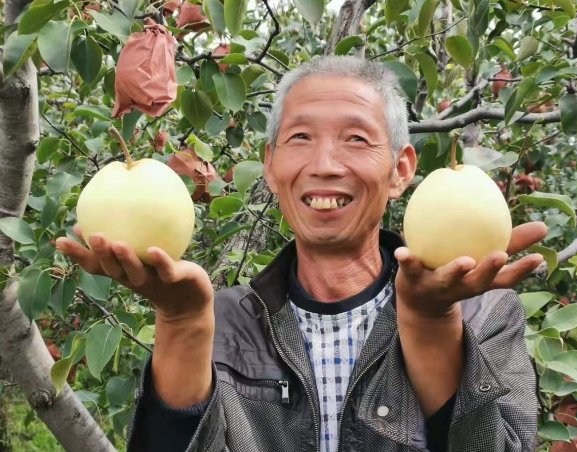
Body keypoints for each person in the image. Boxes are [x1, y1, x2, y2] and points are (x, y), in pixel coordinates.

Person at [57, 55, 548, 452]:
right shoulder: (224, 323)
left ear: (400, 170)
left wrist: (432, 321)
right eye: (300, 138)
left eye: (355, 138)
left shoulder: (483, 317)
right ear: (270, 167)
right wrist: (181, 322)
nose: (325, 165)